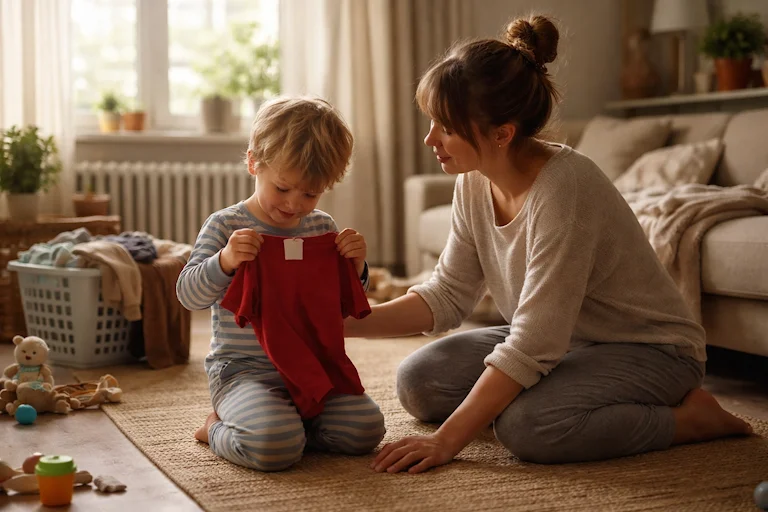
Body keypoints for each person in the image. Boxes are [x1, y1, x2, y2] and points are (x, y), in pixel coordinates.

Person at [344, 14, 752, 474]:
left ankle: (690, 420)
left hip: (650, 350)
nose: (430, 139)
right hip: (563, 343)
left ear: (503, 133)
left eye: (447, 127)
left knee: (527, 427)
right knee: (420, 381)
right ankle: (559, 394)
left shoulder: (566, 190)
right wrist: (342, 323)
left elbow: (533, 342)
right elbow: (448, 294)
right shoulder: (475, 182)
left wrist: (446, 441)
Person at [177, 96, 386, 472]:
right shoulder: (225, 226)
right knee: (276, 448)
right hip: (243, 372)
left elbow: (339, 305)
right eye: (283, 188)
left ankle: (296, 426)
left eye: (310, 193)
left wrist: (356, 268)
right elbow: (188, 295)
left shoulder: (322, 226)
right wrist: (224, 261)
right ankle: (216, 429)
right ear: (254, 162)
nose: (294, 205)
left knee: (366, 430)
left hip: (314, 367)